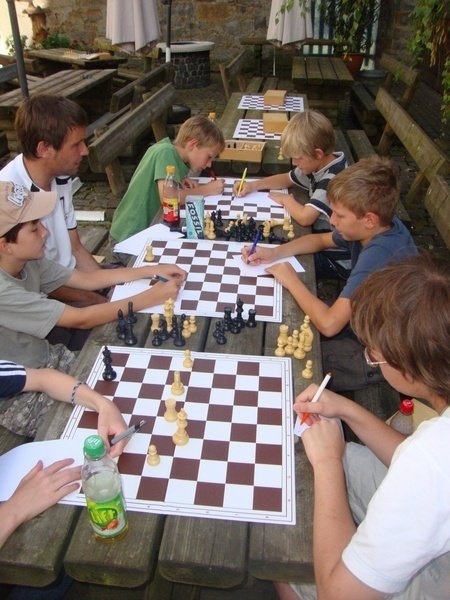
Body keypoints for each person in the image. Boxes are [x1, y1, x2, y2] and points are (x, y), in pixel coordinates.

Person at [275, 253, 450, 600]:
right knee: (343, 457)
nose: (372, 358)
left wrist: (327, 463)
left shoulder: (432, 458)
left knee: (283, 555)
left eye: (373, 354)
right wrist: (346, 410)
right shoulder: (432, 450)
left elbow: (338, 594)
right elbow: (410, 458)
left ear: (408, 370)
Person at [0, 181, 186, 435]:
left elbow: (86, 279)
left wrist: (150, 270)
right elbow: (80, 319)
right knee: (100, 423)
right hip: (18, 394)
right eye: (34, 228)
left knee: (130, 386)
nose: (45, 232)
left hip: (48, 358)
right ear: (5, 244)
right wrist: (151, 297)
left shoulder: (26, 260)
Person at [242, 156, 418, 390]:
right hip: (367, 319)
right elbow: (320, 240)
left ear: (369, 220)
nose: (332, 221)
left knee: (294, 362)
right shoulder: (374, 226)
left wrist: (292, 281)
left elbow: (329, 324)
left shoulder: (380, 255)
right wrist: (274, 253)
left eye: (339, 215)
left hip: (389, 354)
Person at [0, 94, 109, 306]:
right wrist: (102, 300)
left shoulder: (60, 175)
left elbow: (75, 248)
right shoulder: (8, 195)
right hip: (43, 301)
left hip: (74, 280)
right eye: (76, 145)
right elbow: (41, 282)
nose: (85, 151)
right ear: (44, 149)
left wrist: (108, 289)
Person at [110, 115, 226, 242]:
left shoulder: (171, 152)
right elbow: (170, 198)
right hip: (129, 235)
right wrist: (207, 189)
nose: (209, 164)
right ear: (193, 144)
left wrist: (181, 178)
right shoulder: (166, 152)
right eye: (209, 156)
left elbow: (167, 179)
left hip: (144, 230)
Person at [232, 110, 347, 231]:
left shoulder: (333, 179)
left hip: (329, 238)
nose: (294, 163)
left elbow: (305, 218)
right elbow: (287, 178)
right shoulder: (318, 163)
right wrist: (252, 185)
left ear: (318, 154)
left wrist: (286, 199)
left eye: (298, 158)